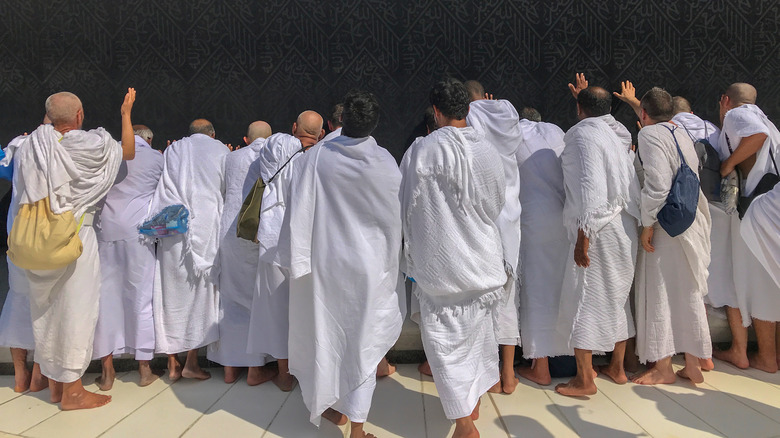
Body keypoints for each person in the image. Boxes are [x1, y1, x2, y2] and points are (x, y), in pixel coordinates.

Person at [276, 91, 404, 438]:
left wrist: (294, 260)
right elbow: (395, 221)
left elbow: (297, 212)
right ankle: (358, 427)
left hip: (326, 267)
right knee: (363, 343)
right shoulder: (384, 162)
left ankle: (332, 404)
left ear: (341, 120)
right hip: (369, 269)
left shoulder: (315, 158)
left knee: (328, 337)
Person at [2, 89, 136, 409]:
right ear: (79, 116)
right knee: (76, 312)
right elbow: (128, 151)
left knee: (47, 314)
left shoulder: (30, 145)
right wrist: (126, 113)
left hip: (37, 242)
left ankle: (55, 386)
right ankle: (73, 391)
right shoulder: (96, 146)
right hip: (76, 238)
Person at [401, 79, 507, 438]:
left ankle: (464, 425)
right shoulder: (487, 150)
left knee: (446, 348)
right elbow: (495, 205)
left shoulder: (420, 151)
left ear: (435, 112)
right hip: (481, 261)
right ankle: (469, 412)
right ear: (468, 110)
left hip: (441, 268)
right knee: (476, 343)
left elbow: (406, 206)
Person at [555, 86, 640, 397]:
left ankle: (584, 379)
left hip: (599, 229)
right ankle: (617, 368)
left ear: (579, 109)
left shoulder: (582, 135)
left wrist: (583, 236)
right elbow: (609, 121)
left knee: (584, 296)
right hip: (625, 225)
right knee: (616, 298)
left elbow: (590, 183)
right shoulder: (615, 134)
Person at [630, 87, 713, 385]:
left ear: (643, 113)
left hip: (666, 226)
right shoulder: (680, 132)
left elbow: (657, 185)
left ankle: (663, 367)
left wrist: (648, 224)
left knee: (660, 293)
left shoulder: (650, 136)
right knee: (686, 293)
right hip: (689, 222)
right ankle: (692, 364)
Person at [248, 111, 324, 392]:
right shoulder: (320, 157)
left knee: (275, 309)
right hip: (305, 242)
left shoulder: (278, 143)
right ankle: (310, 371)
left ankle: (284, 374)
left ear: (294, 127)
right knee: (306, 309)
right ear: (321, 134)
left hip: (272, 238)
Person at [150, 118, 228, 381]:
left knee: (171, 293)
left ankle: (172, 363)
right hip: (206, 230)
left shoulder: (174, 149)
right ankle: (192, 362)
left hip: (174, 226)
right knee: (200, 296)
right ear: (212, 134)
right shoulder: (220, 150)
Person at [91, 124, 164, 390]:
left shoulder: (108, 155)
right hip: (139, 235)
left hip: (106, 231)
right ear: (150, 138)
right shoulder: (157, 158)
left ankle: (107, 371)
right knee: (141, 297)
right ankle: (144, 369)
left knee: (105, 298)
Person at [715, 83, 780, 373]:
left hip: (761, 207)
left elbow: (757, 134)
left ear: (726, 100)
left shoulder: (737, 114)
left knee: (760, 282)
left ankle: (767, 357)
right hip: (773, 200)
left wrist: (728, 164)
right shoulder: (769, 121)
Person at [206, 120, 275, 385]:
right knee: (255, 301)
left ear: (246, 140)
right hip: (257, 233)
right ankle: (255, 370)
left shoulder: (230, 158)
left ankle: (229, 368)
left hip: (228, 233)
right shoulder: (272, 155)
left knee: (231, 300)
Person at [465, 82, 522, 394]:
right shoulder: (506, 116)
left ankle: (486, 373)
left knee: (482, 299)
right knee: (508, 298)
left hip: (485, 219)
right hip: (511, 217)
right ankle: (509, 373)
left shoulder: (471, 118)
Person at [514, 114, 574, 386]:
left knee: (536, 292)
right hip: (563, 219)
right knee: (561, 291)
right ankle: (567, 357)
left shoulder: (516, 135)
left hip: (532, 221)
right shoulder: (554, 132)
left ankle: (540, 366)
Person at [0, 120, 49, 394]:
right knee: (47, 303)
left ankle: (20, 373)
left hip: (17, 234)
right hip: (47, 235)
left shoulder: (18, 145)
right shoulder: (58, 149)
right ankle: (39, 373)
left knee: (18, 298)